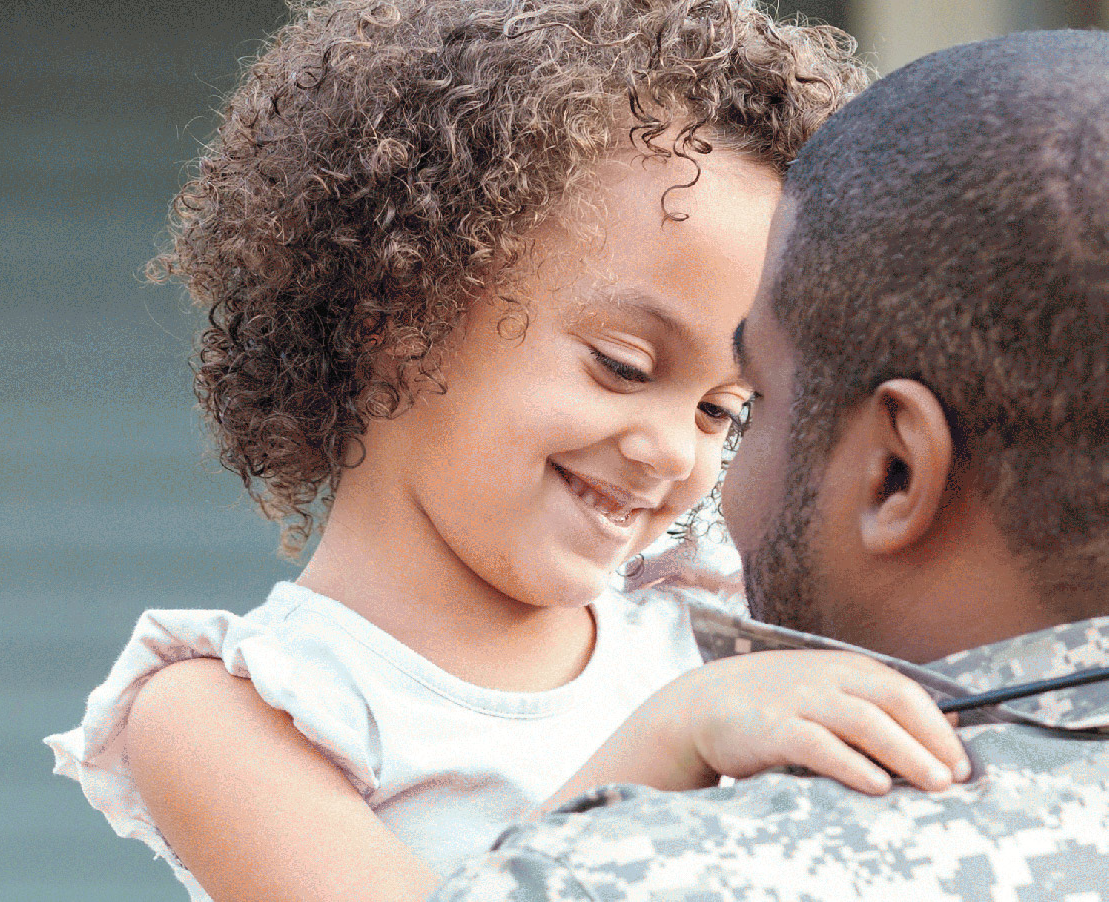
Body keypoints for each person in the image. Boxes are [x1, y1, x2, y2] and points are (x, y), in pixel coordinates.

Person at [46, 3, 970, 901]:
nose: (668, 452)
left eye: (724, 411)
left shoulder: (713, 633)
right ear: (401, 306)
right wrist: (673, 741)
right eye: (622, 366)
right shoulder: (228, 717)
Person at [430, 29, 1109, 902]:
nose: (684, 461)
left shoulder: (615, 880)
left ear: (895, 472)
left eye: (745, 409)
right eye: (626, 368)